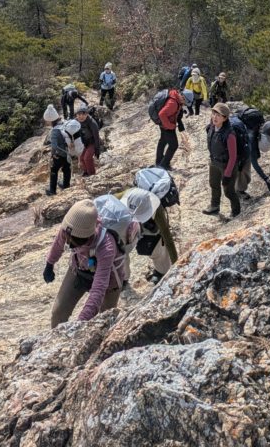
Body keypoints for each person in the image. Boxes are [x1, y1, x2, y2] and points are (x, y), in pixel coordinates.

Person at [43, 199, 125, 327]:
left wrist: (81, 323)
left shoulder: (106, 246)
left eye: (74, 242)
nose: (69, 244)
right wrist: (49, 264)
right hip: (79, 269)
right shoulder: (69, 228)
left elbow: (99, 288)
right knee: (58, 313)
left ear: (88, 236)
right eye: (68, 239)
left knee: (105, 321)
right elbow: (59, 243)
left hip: (110, 281)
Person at [121, 187, 178, 285]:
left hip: (149, 227)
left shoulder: (157, 210)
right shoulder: (119, 203)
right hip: (124, 222)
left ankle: (162, 271)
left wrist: (177, 264)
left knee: (157, 246)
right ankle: (123, 277)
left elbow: (166, 236)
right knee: (121, 250)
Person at [202, 103, 240, 220]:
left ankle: (236, 211)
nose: (215, 117)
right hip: (214, 162)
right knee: (214, 185)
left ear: (225, 118)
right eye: (214, 113)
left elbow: (233, 157)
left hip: (227, 166)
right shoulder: (211, 128)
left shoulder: (229, 134)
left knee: (228, 191)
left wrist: (227, 174)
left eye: (219, 115)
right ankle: (214, 206)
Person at [44, 106, 78, 196]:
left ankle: (52, 190)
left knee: (54, 170)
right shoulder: (63, 124)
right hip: (68, 152)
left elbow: (54, 146)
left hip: (59, 154)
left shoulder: (54, 131)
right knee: (66, 169)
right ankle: (66, 185)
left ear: (51, 121)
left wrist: (53, 154)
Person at [155, 88, 186, 170]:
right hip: (167, 125)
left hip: (164, 123)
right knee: (174, 145)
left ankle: (159, 162)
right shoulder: (173, 103)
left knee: (163, 141)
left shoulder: (175, 95)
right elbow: (161, 114)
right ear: (183, 97)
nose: (185, 104)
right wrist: (170, 126)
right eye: (185, 102)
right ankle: (164, 164)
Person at [75, 103, 102, 177]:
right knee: (82, 158)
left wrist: (97, 150)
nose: (81, 116)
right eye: (79, 114)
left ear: (87, 114)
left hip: (92, 142)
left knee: (87, 157)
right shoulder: (75, 122)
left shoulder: (92, 123)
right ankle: (86, 171)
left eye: (83, 114)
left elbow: (96, 137)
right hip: (83, 143)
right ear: (76, 115)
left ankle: (91, 174)